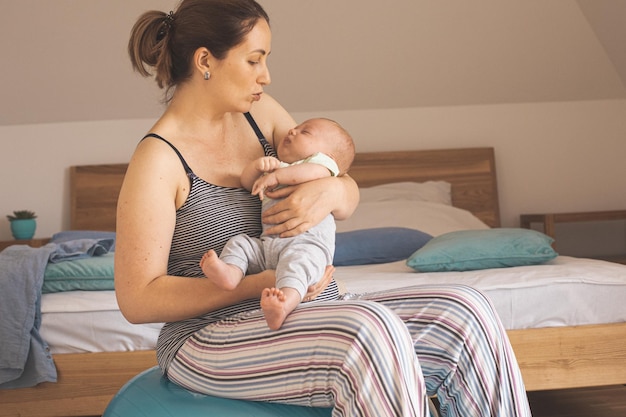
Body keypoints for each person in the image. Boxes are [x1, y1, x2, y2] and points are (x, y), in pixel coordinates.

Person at [117, 0, 532, 415]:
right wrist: (263, 282)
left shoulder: (259, 114)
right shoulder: (159, 160)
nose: (266, 75)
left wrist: (333, 192)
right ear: (205, 60)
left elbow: (338, 181)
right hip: (209, 338)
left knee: (465, 311)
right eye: (254, 60)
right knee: (371, 331)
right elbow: (138, 300)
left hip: (313, 308)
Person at [199, 117, 355, 330]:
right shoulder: (279, 168)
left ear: (328, 156)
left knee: (297, 266)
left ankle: (284, 305)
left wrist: (277, 174)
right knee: (241, 243)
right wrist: (257, 168)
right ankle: (230, 274)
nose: (292, 130)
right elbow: (248, 184)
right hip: (268, 247)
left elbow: (308, 173)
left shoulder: (320, 166)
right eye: (297, 127)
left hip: (305, 246)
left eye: (305, 132)